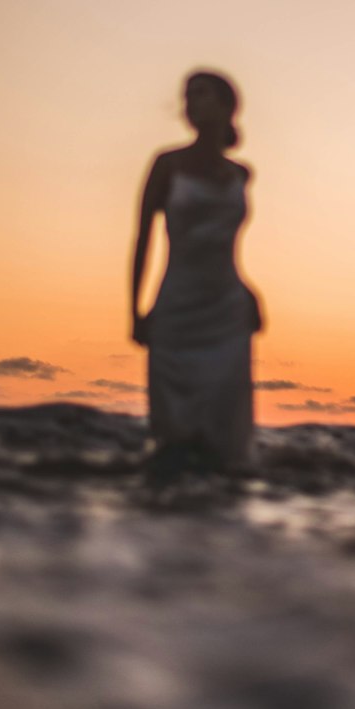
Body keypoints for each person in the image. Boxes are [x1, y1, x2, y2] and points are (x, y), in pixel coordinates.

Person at [130, 69, 263, 473]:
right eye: (187, 96)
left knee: (228, 441)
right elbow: (141, 241)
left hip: (228, 310)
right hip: (176, 308)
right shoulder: (167, 165)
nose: (192, 103)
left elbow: (228, 247)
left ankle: (224, 527)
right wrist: (134, 312)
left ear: (228, 106)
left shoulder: (242, 175)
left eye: (202, 94)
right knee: (173, 435)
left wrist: (250, 294)